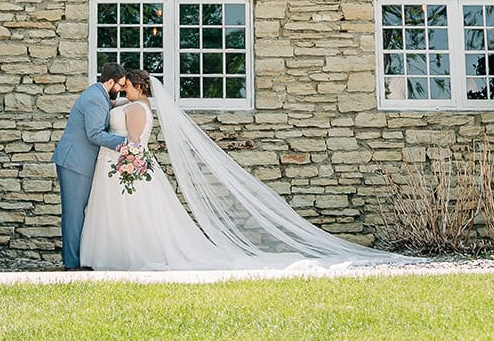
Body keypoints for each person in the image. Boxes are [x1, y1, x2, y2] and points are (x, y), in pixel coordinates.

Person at [73, 68, 423, 272]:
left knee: (138, 216)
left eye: (127, 86)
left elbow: (133, 141)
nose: (123, 91)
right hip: (125, 167)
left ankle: (130, 255)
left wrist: (127, 160)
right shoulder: (135, 104)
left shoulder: (137, 110)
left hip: (128, 166)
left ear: (138, 87)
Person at [50, 62, 128, 269]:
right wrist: (126, 144)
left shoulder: (98, 94)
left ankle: (76, 259)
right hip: (75, 162)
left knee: (77, 212)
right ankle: (72, 264)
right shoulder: (95, 99)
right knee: (74, 213)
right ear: (110, 81)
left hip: (77, 160)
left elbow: (108, 106)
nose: (120, 91)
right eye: (120, 86)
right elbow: (94, 134)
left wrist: (129, 102)